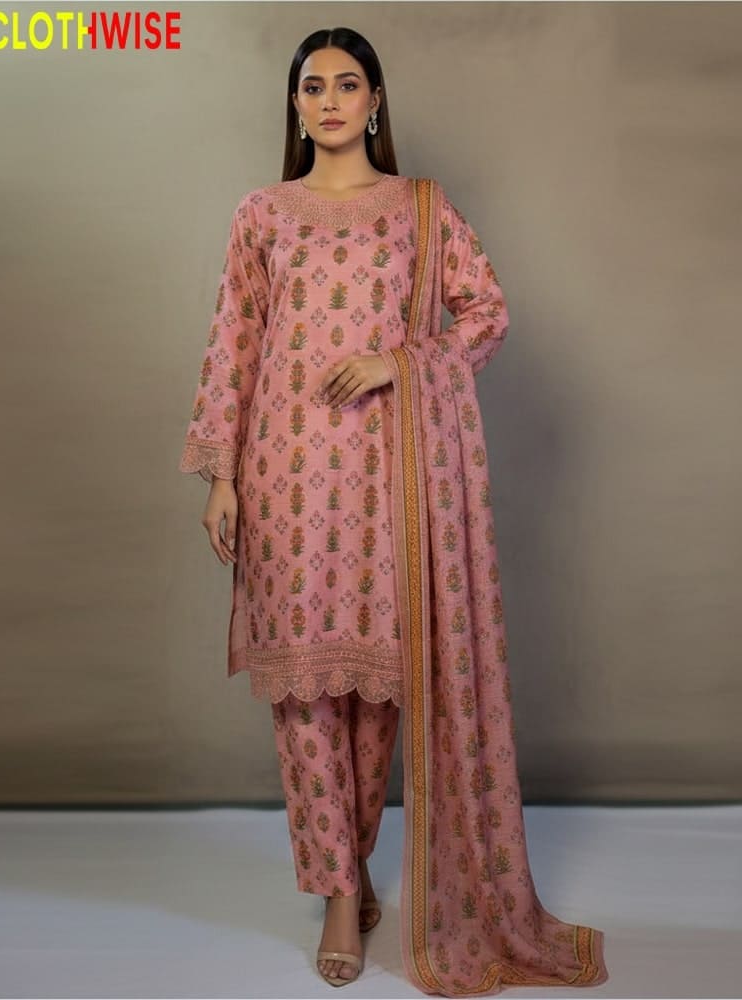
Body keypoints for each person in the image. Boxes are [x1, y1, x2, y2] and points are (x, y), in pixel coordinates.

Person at [179, 25, 609, 997]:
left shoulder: (420, 211)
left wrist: (397, 362)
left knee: (375, 691)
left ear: (376, 101)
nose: (329, 100)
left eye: (347, 84)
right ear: (295, 107)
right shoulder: (262, 214)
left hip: (386, 473)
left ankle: (355, 861)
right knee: (300, 689)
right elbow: (231, 344)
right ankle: (337, 890)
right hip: (282, 473)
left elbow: (485, 310)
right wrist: (222, 476)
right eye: (312, 86)